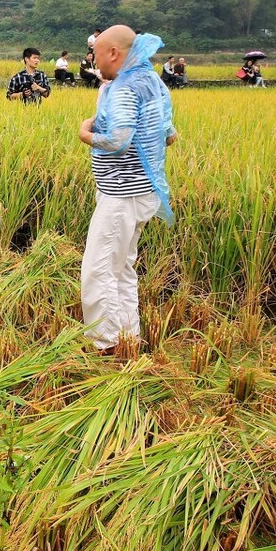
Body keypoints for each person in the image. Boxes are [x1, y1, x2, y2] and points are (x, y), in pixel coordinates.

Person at [79, 25, 177, 355]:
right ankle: (127, 339)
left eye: (95, 53)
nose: (92, 59)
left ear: (113, 54)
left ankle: (106, 345)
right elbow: (169, 134)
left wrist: (87, 134)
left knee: (99, 269)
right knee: (122, 268)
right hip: (143, 194)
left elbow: (119, 141)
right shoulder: (153, 82)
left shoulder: (123, 88)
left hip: (120, 195)